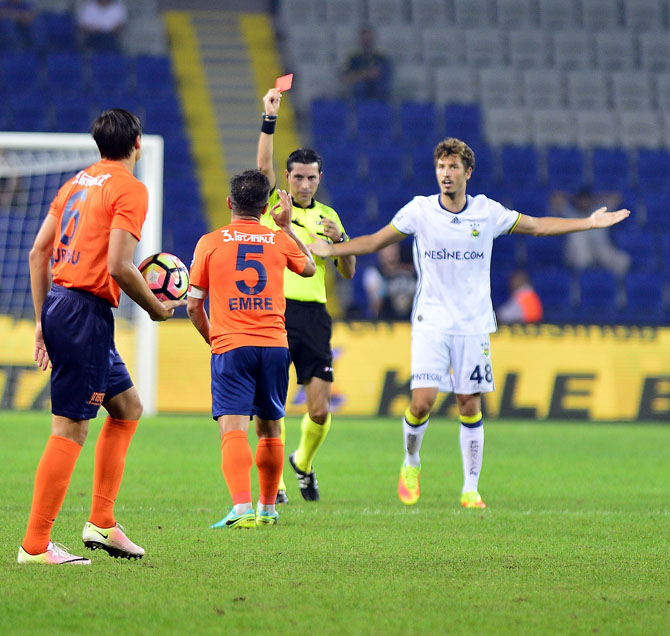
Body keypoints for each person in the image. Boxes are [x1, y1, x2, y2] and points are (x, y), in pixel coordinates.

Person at [310, 137, 630, 509]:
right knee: (422, 403)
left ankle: (470, 488)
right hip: (431, 319)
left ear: (468, 172)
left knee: (468, 403)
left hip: (473, 323)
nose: (445, 174)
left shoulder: (487, 212)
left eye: (453, 168)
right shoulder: (420, 211)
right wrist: (334, 249)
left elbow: (538, 226)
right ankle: (411, 462)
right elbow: (376, 242)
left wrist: (589, 223)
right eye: (441, 168)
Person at [18, 109, 184, 565]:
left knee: (127, 406)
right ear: (136, 144)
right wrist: (157, 308)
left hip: (60, 304)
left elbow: (38, 252)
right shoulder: (130, 188)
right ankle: (34, 546)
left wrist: (39, 320)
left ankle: (103, 524)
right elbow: (118, 265)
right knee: (70, 428)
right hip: (85, 313)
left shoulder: (76, 183)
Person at [187, 170, 315, 529]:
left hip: (232, 346)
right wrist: (287, 227)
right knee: (271, 429)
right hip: (275, 345)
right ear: (265, 208)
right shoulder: (277, 239)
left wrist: (215, 340)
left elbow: (194, 307)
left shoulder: (210, 242)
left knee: (233, 428)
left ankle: (242, 507)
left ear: (230, 203)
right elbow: (308, 268)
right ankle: (268, 508)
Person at [257, 88, 356, 504]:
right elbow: (263, 166)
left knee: (318, 409)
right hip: (275, 312)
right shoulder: (273, 205)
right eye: (296, 176)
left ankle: (303, 462)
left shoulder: (329, 218)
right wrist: (269, 117)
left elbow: (348, 272)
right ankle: (276, 481)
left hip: (315, 316)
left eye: (310, 176)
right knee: (272, 405)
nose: (302, 183)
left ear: (320, 178)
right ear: (288, 176)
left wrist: (343, 241)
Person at [551, 188, 631, 276]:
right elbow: (555, 198)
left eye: (586, 200)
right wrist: (573, 197)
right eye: (582, 200)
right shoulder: (571, 213)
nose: (584, 203)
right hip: (580, 254)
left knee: (623, 260)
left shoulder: (599, 211)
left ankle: (616, 285)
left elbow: (617, 197)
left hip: (601, 249)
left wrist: (595, 198)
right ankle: (581, 281)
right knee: (579, 242)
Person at [362, 241, 416, 320]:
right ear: (380, 254)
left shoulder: (412, 273)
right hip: (386, 323)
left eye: (393, 249)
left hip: (411, 321)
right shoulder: (374, 274)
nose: (390, 253)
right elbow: (375, 306)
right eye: (386, 250)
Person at [342, 26, 392, 101]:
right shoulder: (354, 59)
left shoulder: (381, 58)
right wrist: (366, 74)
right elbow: (347, 78)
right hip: (360, 95)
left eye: (368, 41)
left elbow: (382, 75)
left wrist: (359, 75)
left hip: (379, 94)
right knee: (359, 86)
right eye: (364, 41)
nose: (367, 43)